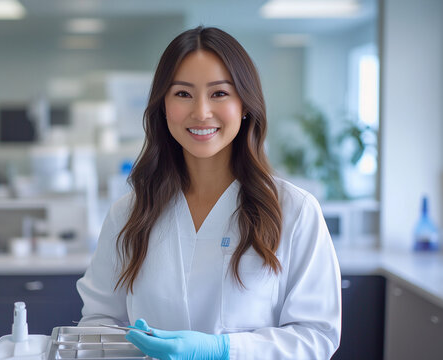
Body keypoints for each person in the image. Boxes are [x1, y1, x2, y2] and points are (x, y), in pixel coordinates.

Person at [76, 26, 341, 360]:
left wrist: (223, 350)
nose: (201, 112)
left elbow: (316, 335)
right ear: (163, 106)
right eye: (183, 94)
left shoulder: (295, 211)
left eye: (219, 94)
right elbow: (98, 322)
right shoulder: (129, 214)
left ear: (245, 104)